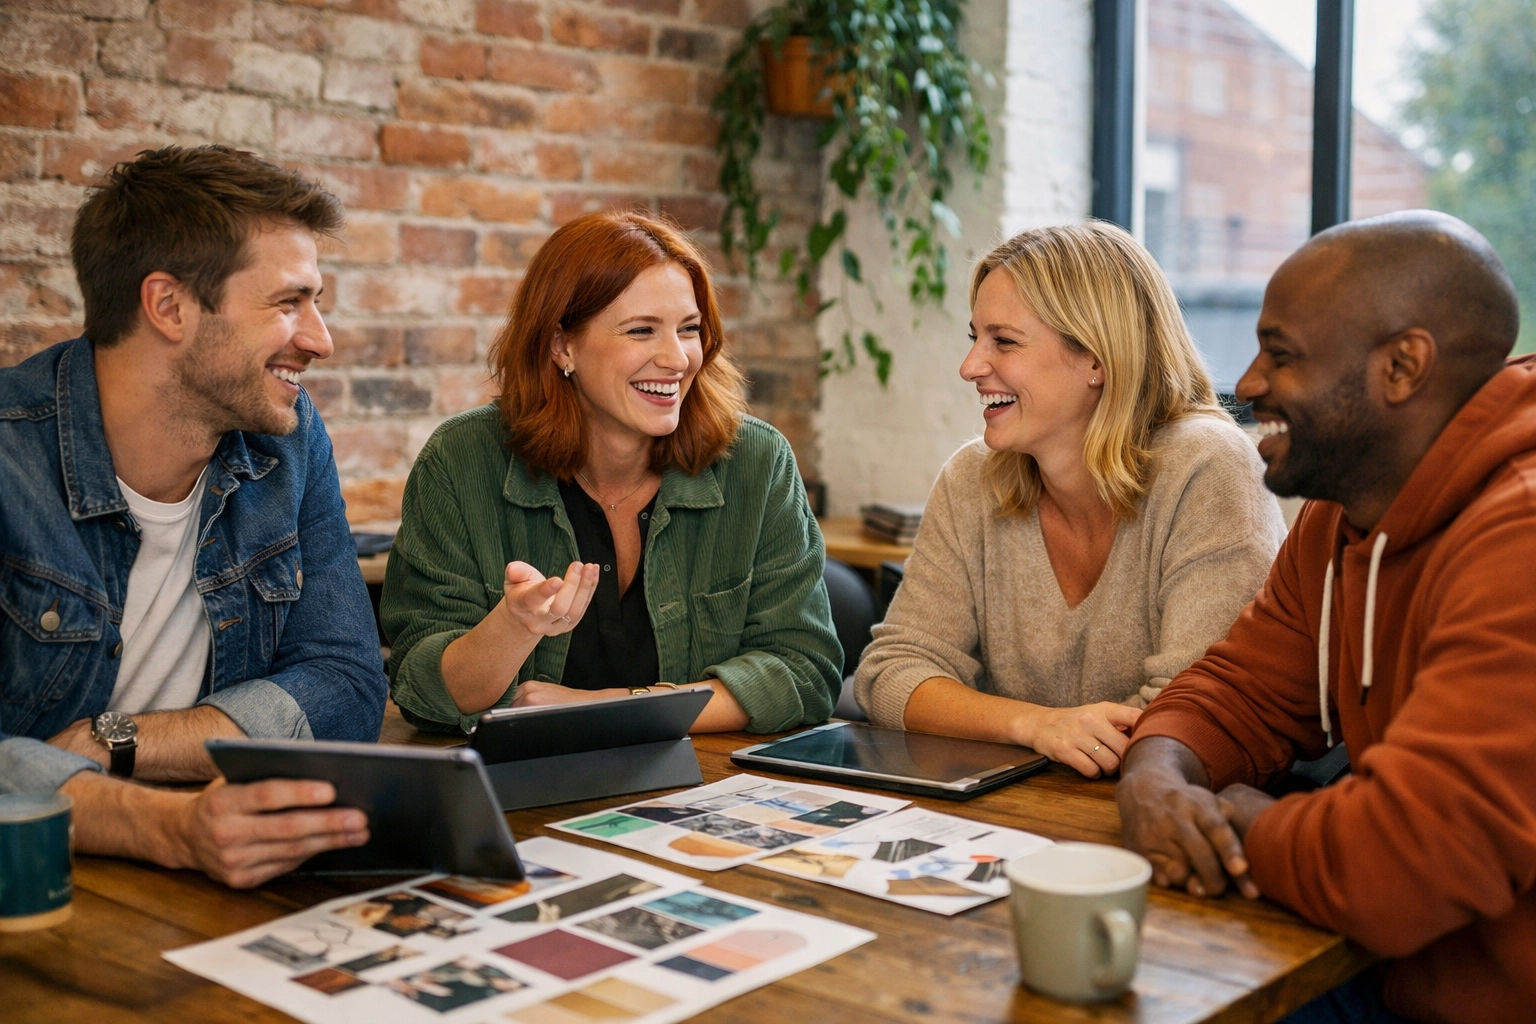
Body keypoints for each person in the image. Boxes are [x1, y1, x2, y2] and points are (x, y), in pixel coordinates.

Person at [1116, 210, 1536, 1023]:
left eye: (1282, 355)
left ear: (1403, 366)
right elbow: (1239, 690)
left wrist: (1248, 818)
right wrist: (1156, 777)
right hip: (1387, 966)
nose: (1247, 382)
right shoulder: (1342, 515)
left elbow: (1406, 863)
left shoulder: (1519, 538)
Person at [0, 146, 387, 888]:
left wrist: (120, 741)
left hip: (215, 872)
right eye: (287, 302)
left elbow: (346, 683)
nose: (320, 339)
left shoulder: (289, 441)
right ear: (169, 306)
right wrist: (170, 828)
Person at [381, 211, 840, 735]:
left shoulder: (758, 462)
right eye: (641, 331)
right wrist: (514, 626)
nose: (677, 358)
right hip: (523, 788)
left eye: (689, 329)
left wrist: (607, 706)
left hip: (704, 785)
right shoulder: (461, 461)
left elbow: (806, 672)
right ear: (562, 346)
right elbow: (421, 691)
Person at [853, 222, 1285, 777]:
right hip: (1013, 807)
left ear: (1097, 360)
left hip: (1158, 810)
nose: (970, 367)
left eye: (1003, 342)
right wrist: (1035, 725)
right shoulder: (972, 478)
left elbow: (1190, 716)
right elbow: (891, 674)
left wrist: (1016, 725)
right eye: (974, 339)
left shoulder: (1208, 467)